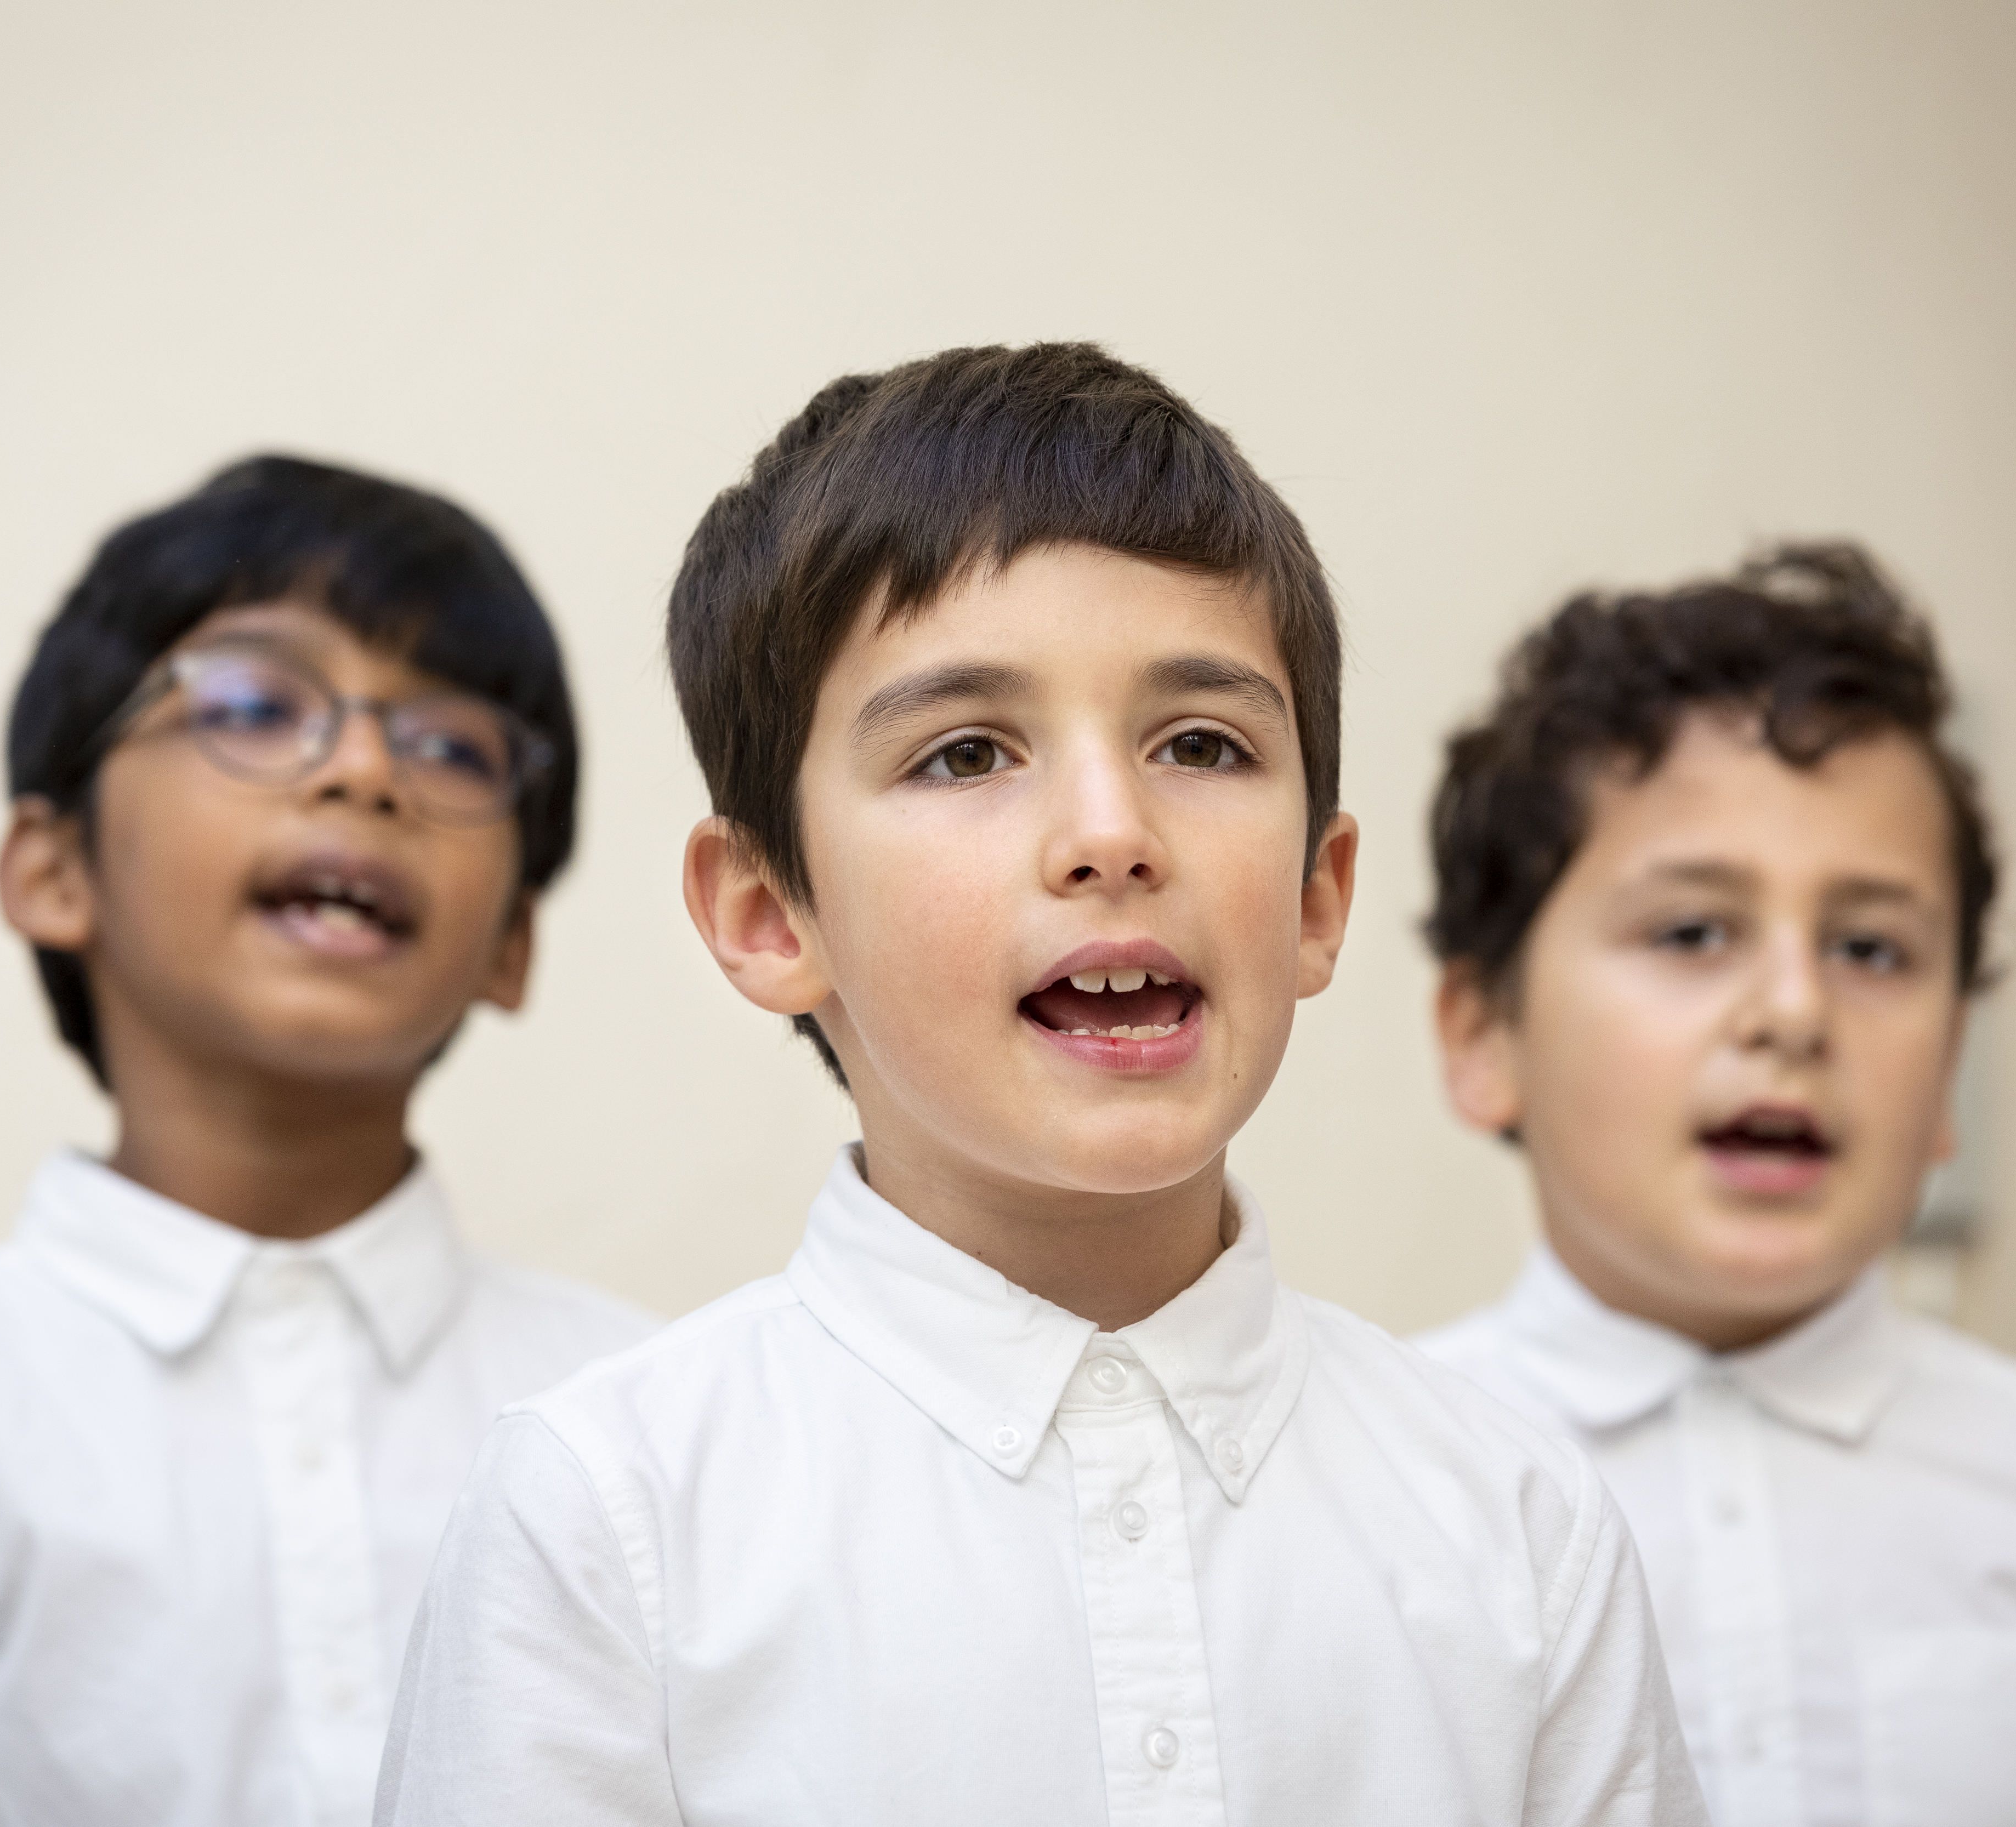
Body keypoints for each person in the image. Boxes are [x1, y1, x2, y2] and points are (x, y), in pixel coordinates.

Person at [376, 343, 1706, 1826]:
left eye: (1202, 743)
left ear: (1319, 899)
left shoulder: (1520, 1520)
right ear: (768, 913)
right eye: (965, 752)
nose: (1110, 831)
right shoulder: (608, 1519)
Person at [0, 456, 655, 1827]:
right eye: (253, 704)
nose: (362, 771)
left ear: (511, 942)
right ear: (53, 870)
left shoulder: (636, 1407)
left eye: (453, 745)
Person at [1413, 544, 2016, 1826]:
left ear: (1947, 1068)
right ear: (1483, 1035)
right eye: (1692, 930)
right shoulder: (1368, 1498)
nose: (1793, 1008)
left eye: (1872, 947)